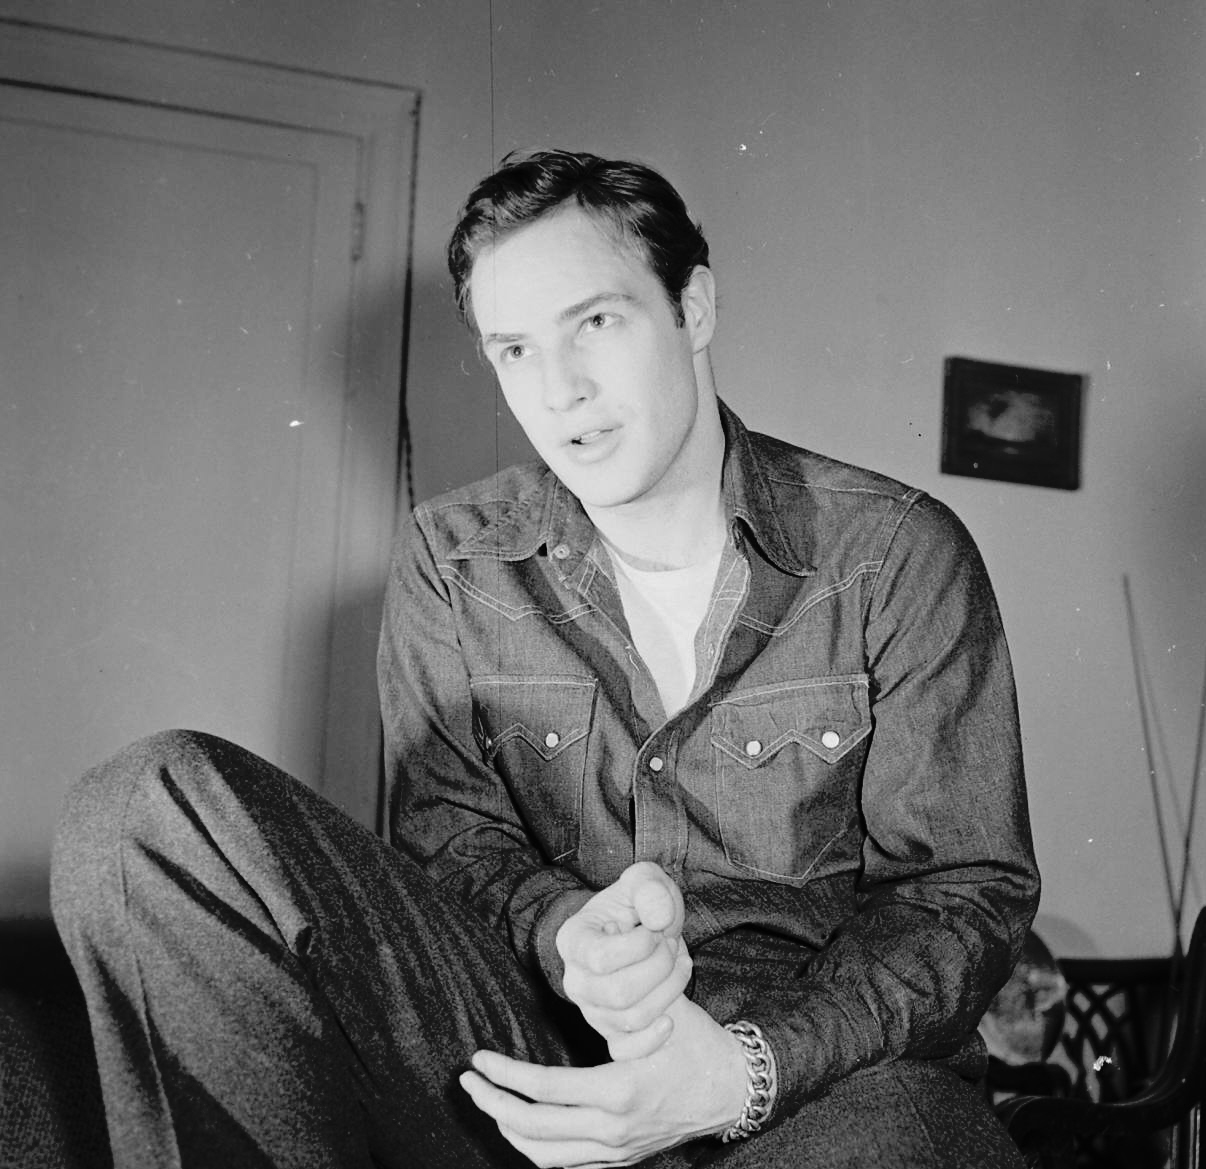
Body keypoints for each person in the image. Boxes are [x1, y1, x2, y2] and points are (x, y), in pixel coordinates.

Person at [52, 149, 1040, 1169]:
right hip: (530, 1050)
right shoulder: (453, 558)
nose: (560, 390)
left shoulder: (895, 551)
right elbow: (451, 847)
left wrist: (743, 1069)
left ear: (694, 308)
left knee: (919, 1143)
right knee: (145, 803)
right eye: (516, 349)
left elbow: (963, 893)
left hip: (811, 1077)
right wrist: (565, 931)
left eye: (596, 322)